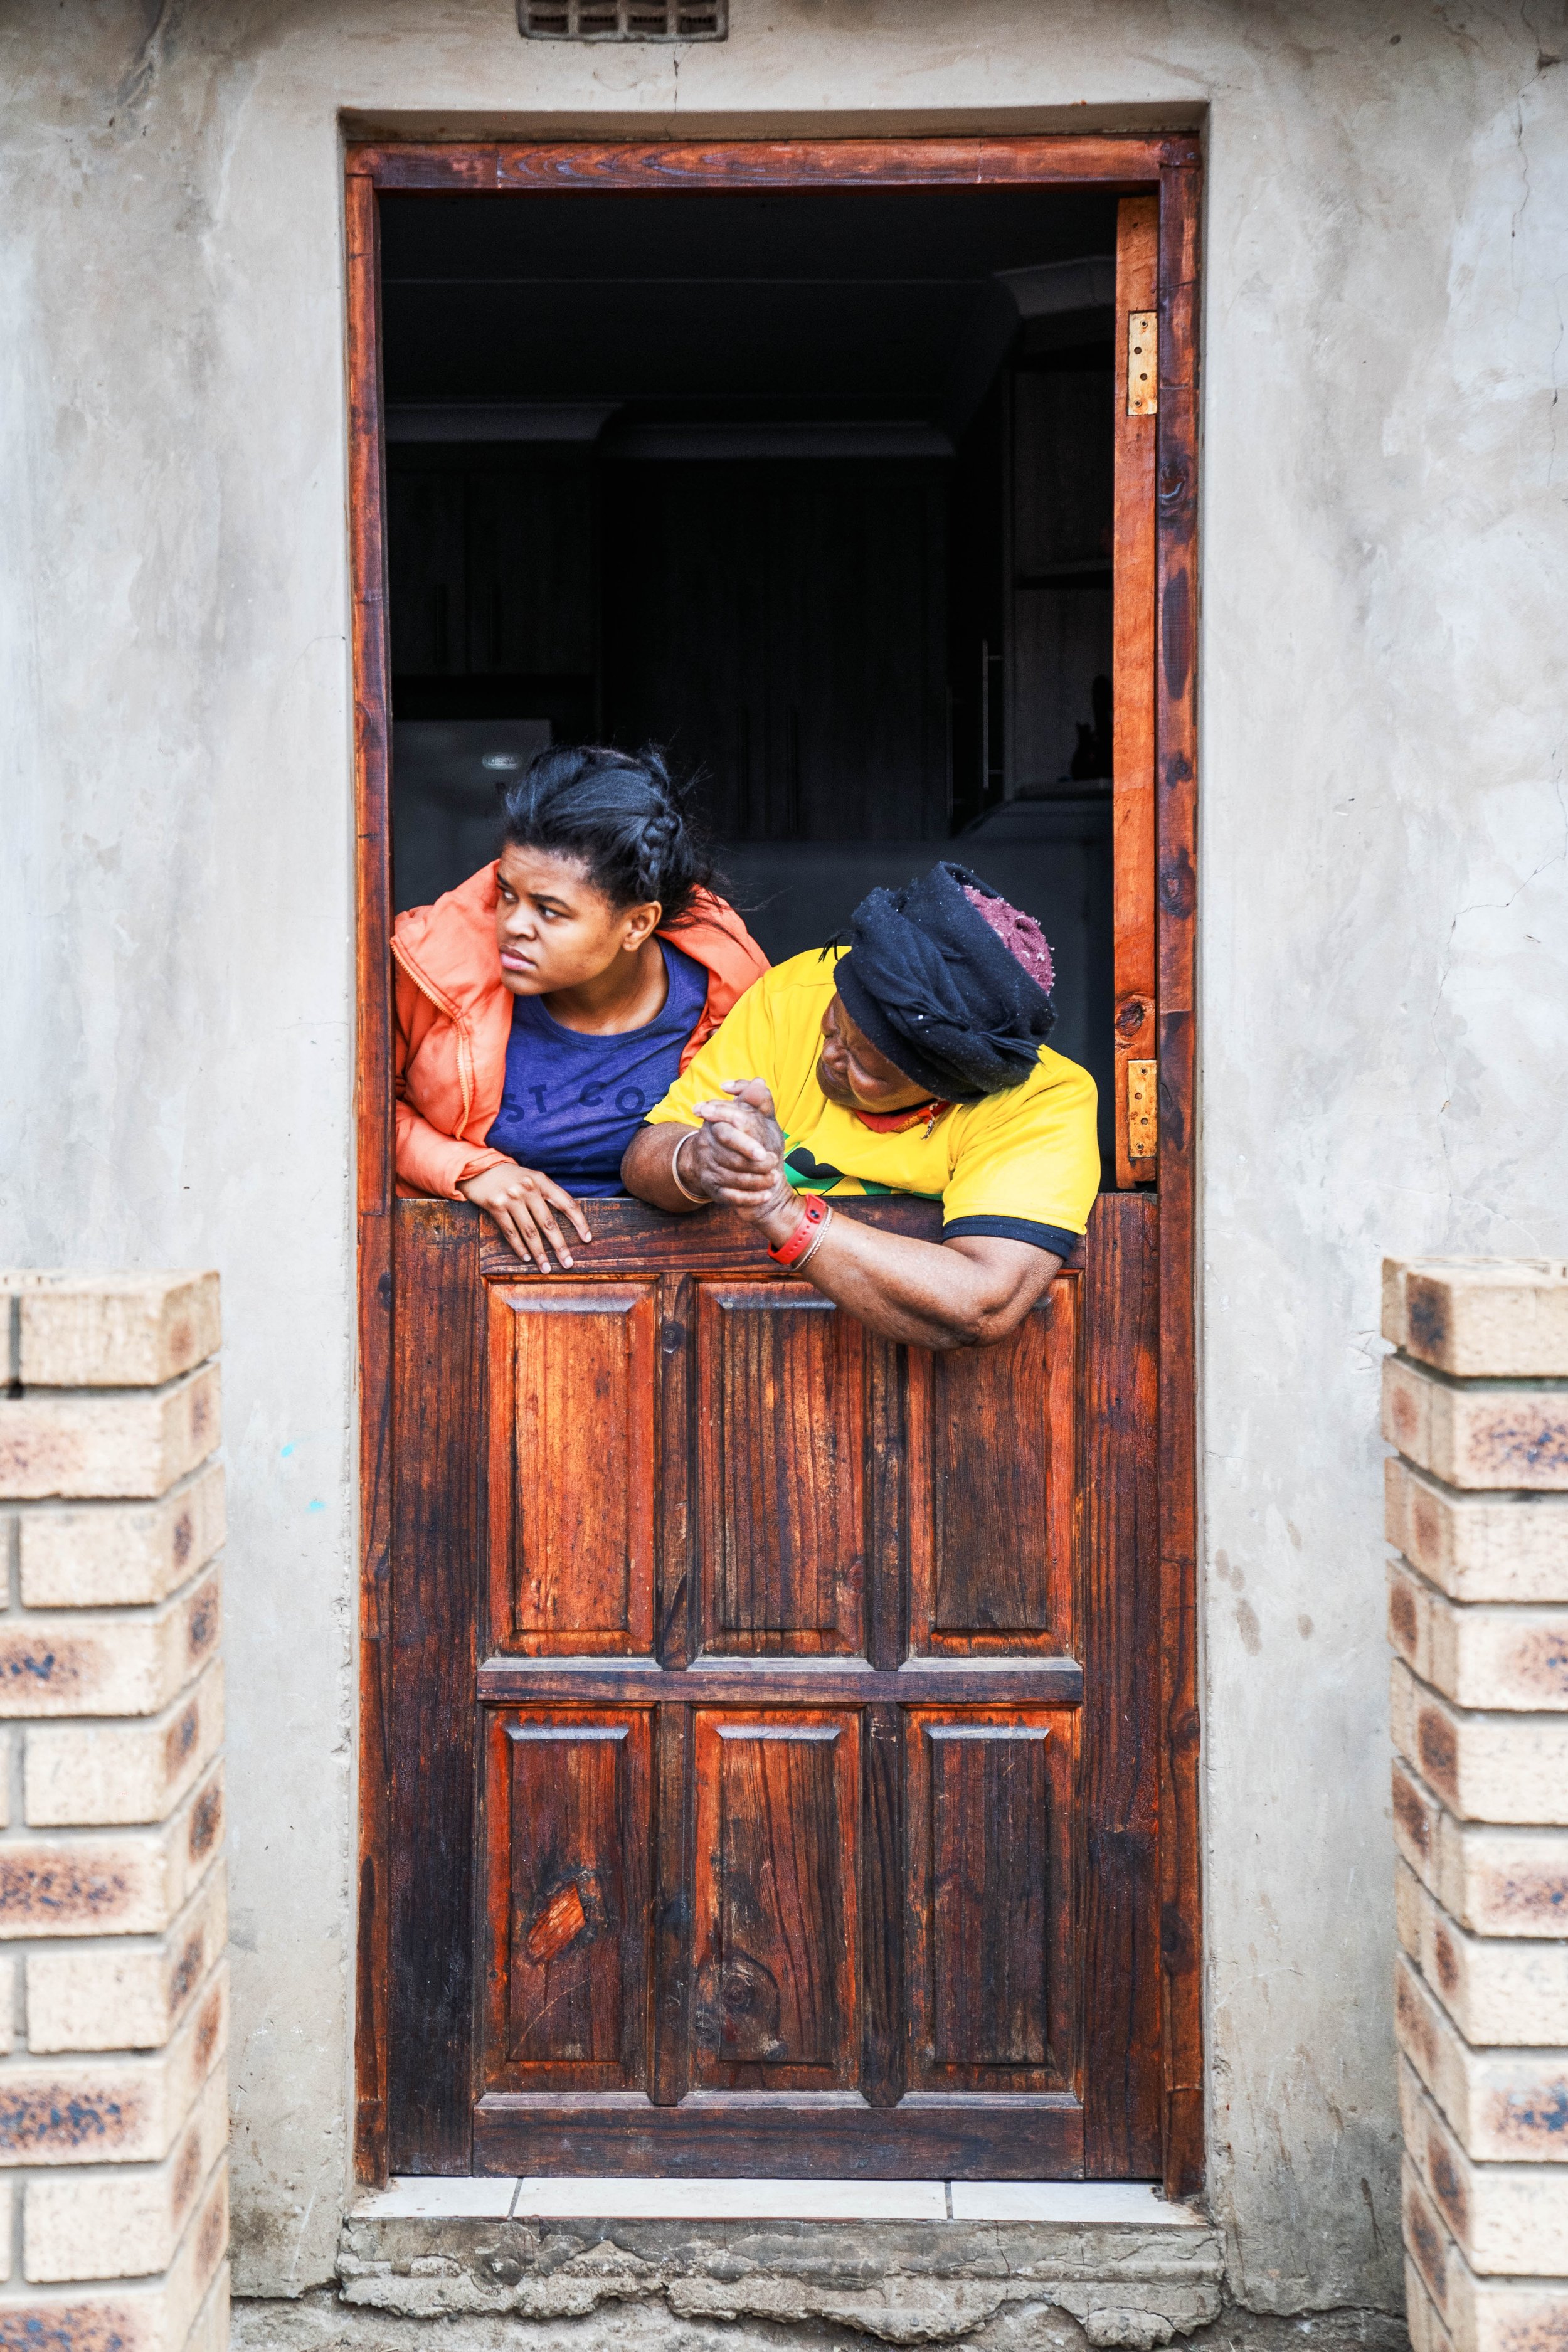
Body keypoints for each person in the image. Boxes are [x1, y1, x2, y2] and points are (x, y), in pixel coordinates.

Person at [620, 862, 1098, 1350]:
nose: (829, 1055)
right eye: (834, 1026)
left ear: (950, 1087)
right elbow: (645, 1156)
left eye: (866, 1067)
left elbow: (982, 1304)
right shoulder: (797, 992)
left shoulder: (1041, 1102)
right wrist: (700, 1159)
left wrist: (782, 1211)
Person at [393, 744, 767, 1271]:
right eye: (506, 893)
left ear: (637, 924)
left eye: (549, 911)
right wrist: (470, 1169)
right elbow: (360, 1111)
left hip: (678, 1275)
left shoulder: (731, 991)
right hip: (467, 1271)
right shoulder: (435, 968)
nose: (513, 925)